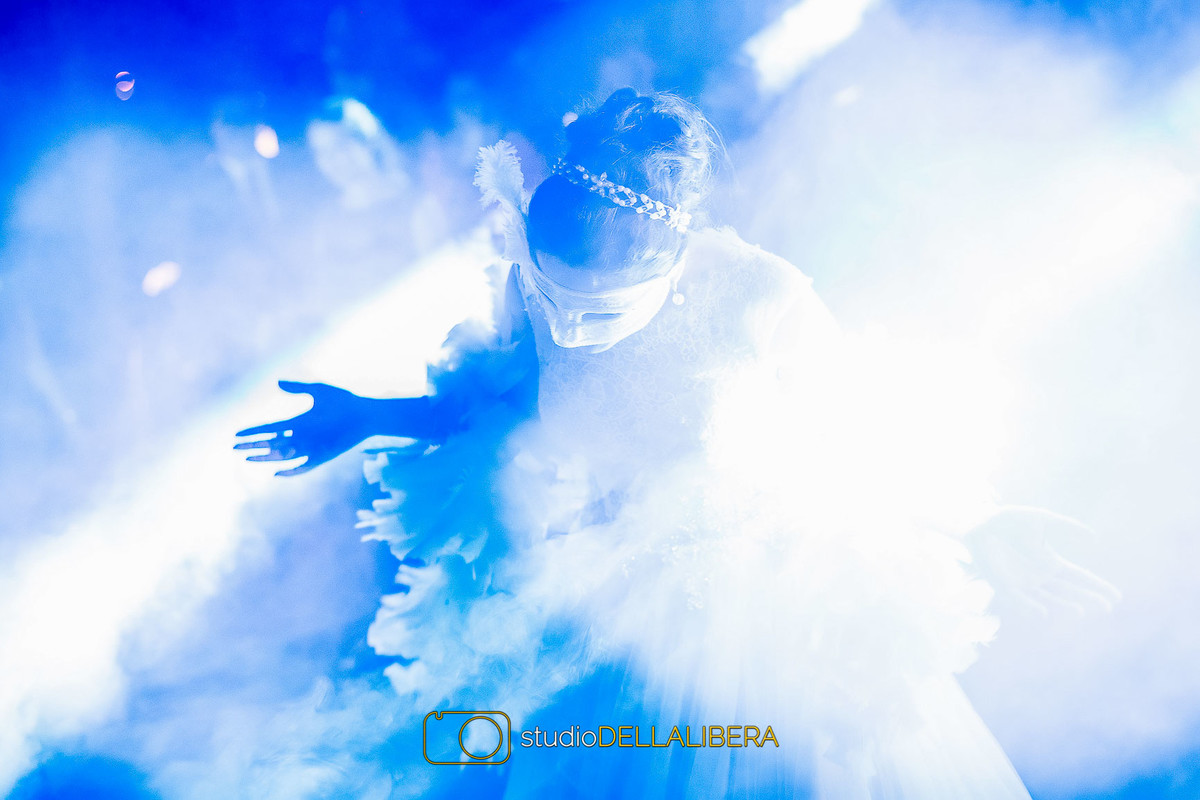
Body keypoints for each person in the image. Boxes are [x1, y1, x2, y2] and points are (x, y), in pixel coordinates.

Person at [235, 89, 1114, 799]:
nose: (571, 333)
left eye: (603, 312)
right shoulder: (531, 290)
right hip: (592, 615)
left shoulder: (762, 298)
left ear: (674, 258)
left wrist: (975, 521)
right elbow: (500, 409)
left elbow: (860, 449)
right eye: (552, 300)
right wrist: (374, 413)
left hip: (759, 628)